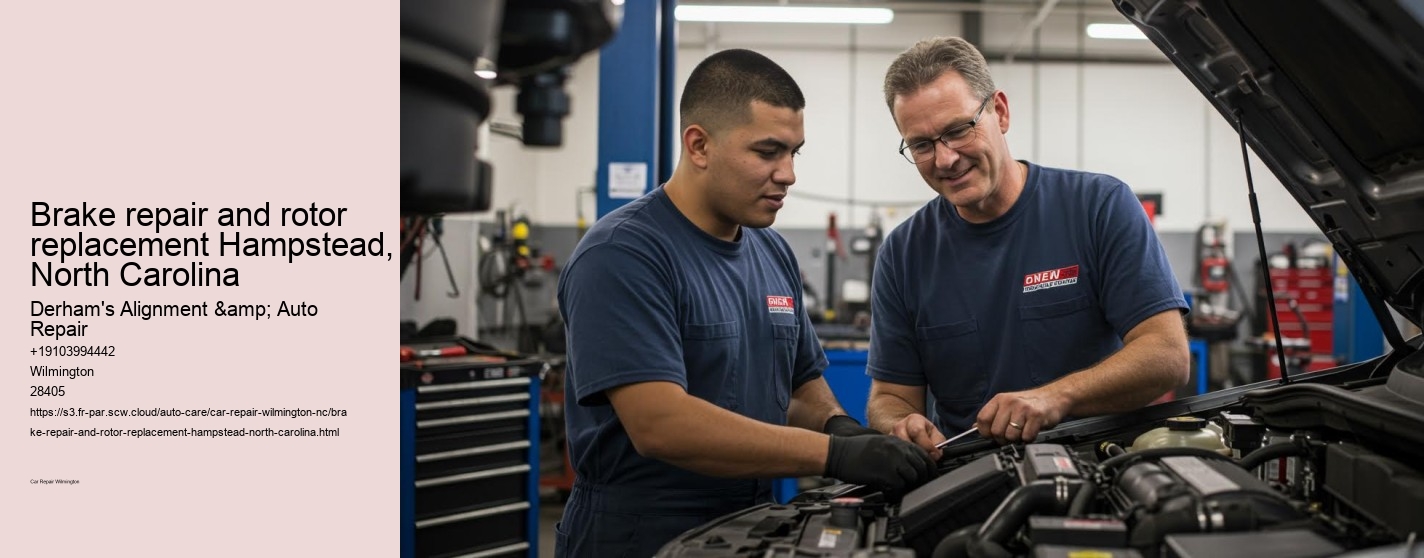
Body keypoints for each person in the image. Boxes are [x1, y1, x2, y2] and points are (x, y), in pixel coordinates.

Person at [555, 49, 937, 558]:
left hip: (747, 524)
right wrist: (835, 453)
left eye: (794, 153)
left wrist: (838, 424)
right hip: (639, 530)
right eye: (767, 151)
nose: (788, 175)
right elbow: (660, 426)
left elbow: (800, 386)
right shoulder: (622, 254)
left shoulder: (769, 249)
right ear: (699, 145)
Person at [865, 37, 1190, 455]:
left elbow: (1167, 355)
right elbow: (890, 395)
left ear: (999, 112)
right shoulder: (903, 253)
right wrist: (901, 424)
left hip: (1099, 473)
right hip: (968, 480)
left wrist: (1056, 396)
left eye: (958, 130)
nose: (945, 159)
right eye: (922, 145)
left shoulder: (1098, 207)